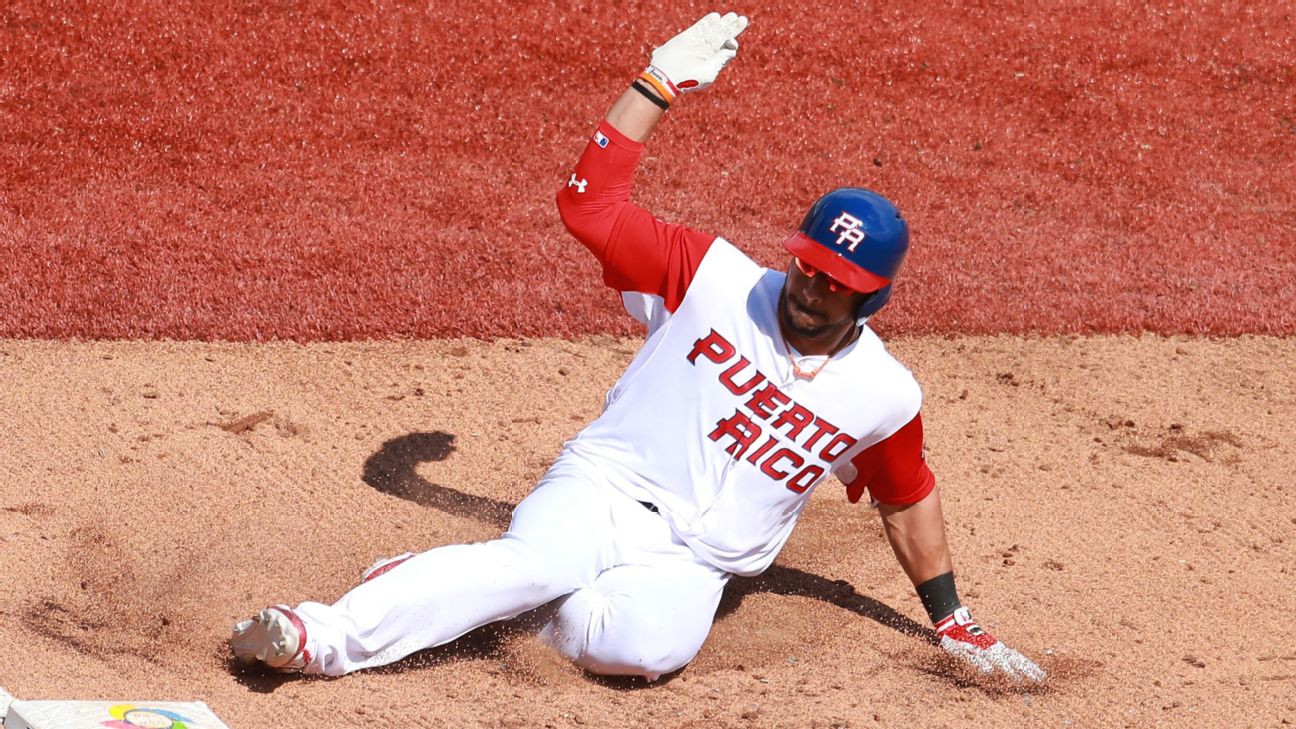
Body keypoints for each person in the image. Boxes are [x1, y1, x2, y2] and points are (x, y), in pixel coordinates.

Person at [230, 12, 1045, 684]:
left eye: (833, 283)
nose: (808, 287)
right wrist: (652, 89)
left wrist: (954, 620)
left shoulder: (883, 393)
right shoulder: (714, 278)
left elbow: (907, 496)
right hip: (603, 490)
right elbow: (589, 208)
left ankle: (432, 579)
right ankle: (318, 635)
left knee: (640, 650)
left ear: (872, 296)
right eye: (806, 265)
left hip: (693, 564)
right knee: (534, 566)